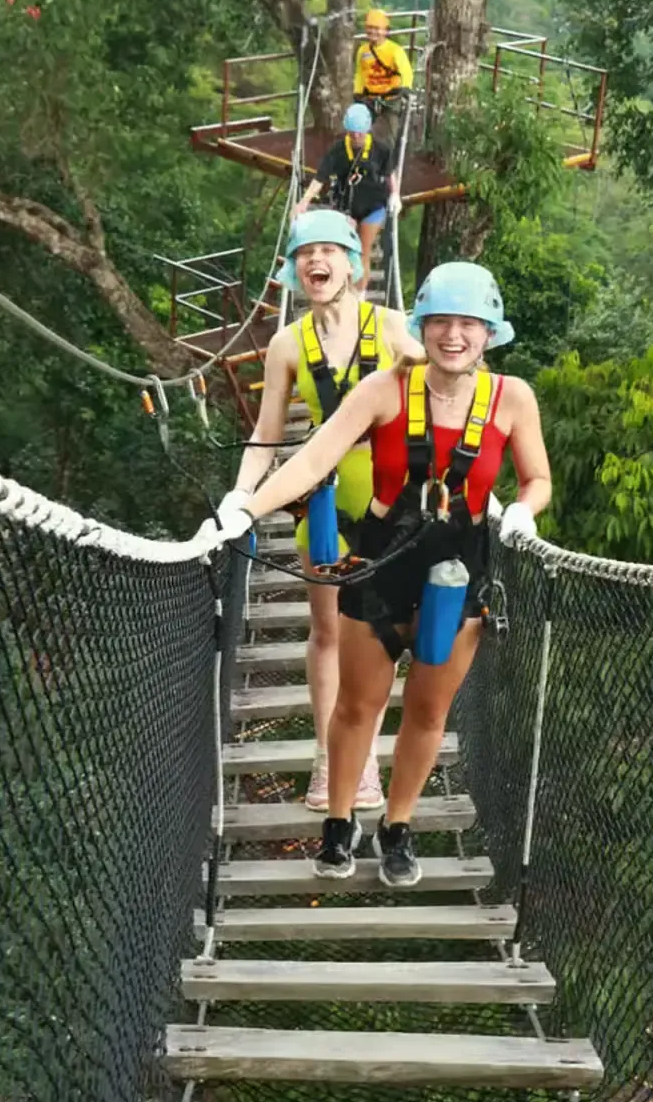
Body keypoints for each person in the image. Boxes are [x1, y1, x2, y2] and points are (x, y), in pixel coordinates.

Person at [197, 263, 550, 890]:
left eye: (469, 324)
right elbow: (313, 458)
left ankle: (398, 826)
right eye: (441, 321)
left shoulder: (512, 398)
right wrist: (245, 507)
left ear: (489, 332)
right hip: (380, 566)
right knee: (357, 705)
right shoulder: (385, 388)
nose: (453, 335)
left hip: (458, 578)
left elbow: (535, 478)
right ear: (421, 326)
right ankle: (339, 823)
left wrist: (522, 512)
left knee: (427, 711)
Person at [215, 211, 423, 812]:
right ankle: (329, 757)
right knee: (330, 630)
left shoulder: (389, 324)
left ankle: (363, 764)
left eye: (330, 250)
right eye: (306, 253)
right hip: (323, 497)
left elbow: (426, 373)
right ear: (293, 269)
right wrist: (241, 501)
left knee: (380, 632)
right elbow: (266, 434)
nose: (317, 261)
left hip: (388, 497)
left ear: (353, 264)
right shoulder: (286, 344)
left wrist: (416, 359)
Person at [293, 104, 400, 289]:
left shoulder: (380, 150)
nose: (356, 137)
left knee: (363, 251)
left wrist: (395, 194)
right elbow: (320, 177)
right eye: (352, 133)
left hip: (373, 206)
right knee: (345, 251)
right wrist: (304, 202)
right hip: (346, 207)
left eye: (360, 133)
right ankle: (342, 291)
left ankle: (359, 298)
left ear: (367, 130)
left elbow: (390, 173)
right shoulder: (338, 151)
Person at [354, 8, 414, 152]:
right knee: (360, 130)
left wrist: (405, 87)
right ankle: (362, 161)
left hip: (391, 97)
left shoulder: (395, 51)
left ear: (385, 31)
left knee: (389, 134)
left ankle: (388, 166)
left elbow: (405, 71)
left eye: (377, 28)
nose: (373, 32)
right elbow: (361, 73)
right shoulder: (363, 51)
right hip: (369, 97)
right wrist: (357, 92)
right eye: (370, 28)